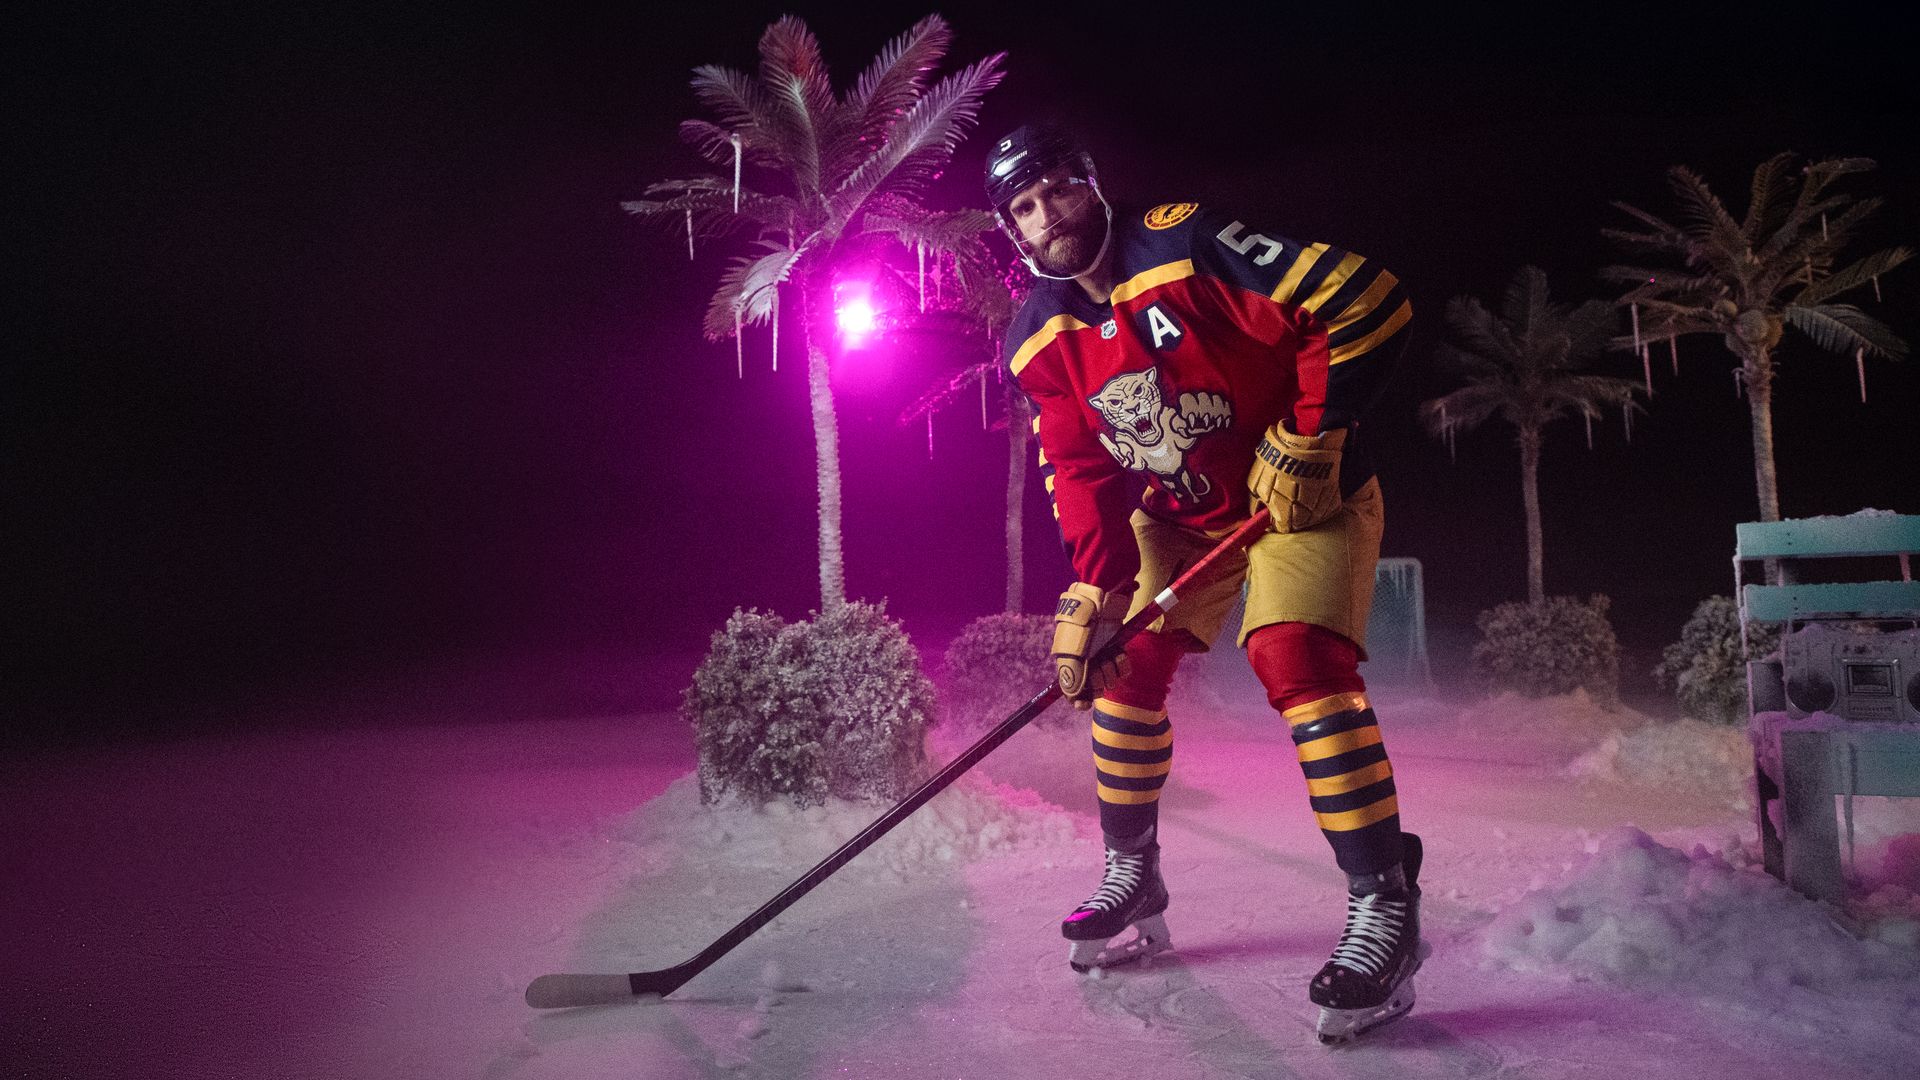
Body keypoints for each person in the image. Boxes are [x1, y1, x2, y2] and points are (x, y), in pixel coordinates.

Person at [985, 123, 1428, 1043]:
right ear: (1011, 230)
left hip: (1295, 495)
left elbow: (1364, 299)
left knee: (1293, 655)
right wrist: (1094, 593)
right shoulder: (1036, 336)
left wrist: (1316, 431)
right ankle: (1132, 869)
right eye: (1024, 207)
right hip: (1184, 517)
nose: (1046, 217)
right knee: (1120, 666)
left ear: (1092, 184)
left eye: (1057, 189)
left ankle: (1384, 903)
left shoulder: (1184, 245)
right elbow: (1081, 471)